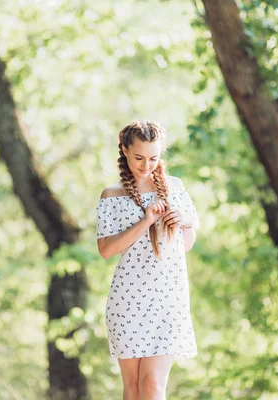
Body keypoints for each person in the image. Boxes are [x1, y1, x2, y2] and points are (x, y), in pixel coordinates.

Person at [95, 120, 200, 400]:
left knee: (153, 386)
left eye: (153, 158)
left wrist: (185, 222)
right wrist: (146, 221)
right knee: (133, 389)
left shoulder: (175, 187)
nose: (146, 165)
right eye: (139, 157)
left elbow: (186, 245)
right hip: (128, 300)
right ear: (125, 150)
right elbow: (106, 250)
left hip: (168, 298)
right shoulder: (111, 195)